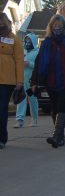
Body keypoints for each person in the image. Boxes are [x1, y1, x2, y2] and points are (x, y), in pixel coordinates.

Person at [30, 14, 65, 148]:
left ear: (64, 27)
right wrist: (34, 82)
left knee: (62, 107)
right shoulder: (46, 43)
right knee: (54, 109)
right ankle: (60, 137)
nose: (57, 28)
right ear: (51, 27)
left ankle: (56, 136)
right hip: (51, 81)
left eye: (60, 26)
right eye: (55, 26)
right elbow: (39, 63)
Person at [0, 12, 24, 149]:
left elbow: (19, 61)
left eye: (2, 21)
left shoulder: (13, 39)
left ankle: (2, 138)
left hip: (7, 80)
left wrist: (20, 81)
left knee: (1, 109)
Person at [14, 32, 40, 128]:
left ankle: (34, 119)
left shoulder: (37, 52)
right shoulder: (23, 51)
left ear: (33, 41)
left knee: (32, 100)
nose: (27, 42)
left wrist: (29, 64)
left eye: (29, 40)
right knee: (21, 99)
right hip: (22, 81)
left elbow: (39, 66)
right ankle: (19, 119)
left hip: (31, 82)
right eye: (26, 40)